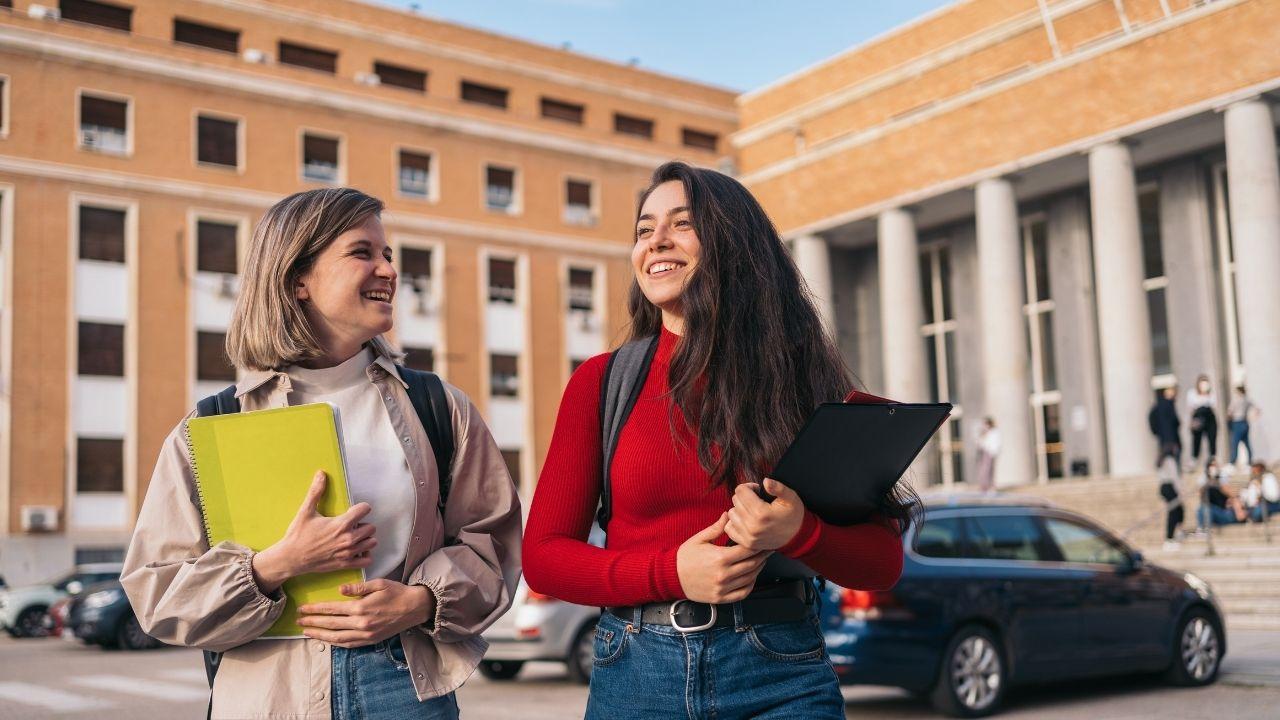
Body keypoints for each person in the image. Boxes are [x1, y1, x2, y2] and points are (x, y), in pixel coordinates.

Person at [522, 162, 911, 720]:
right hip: (635, 674)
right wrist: (671, 573)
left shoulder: (805, 380)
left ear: (732, 242)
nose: (656, 240)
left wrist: (800, 531)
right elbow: (544, 559)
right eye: (643, 228)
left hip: (780, 671)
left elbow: (882, 563)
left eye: (682, 224)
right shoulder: (600, 383)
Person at [121, 189, 522, 720]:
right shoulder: (213, 426)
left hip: (402, 689)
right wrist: (276, 565)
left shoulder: (440, 408)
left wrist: (420, 602)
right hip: (268, 693)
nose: (388, 270)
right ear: (297, 280)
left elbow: (492, 545)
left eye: (389, 255)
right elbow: (157, 589)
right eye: (363, 252)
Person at [1197, 459, 1247, 528]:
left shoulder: (1222, 479)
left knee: (1205, 509)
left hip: (1224, 512)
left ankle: (1204, 529)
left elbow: (1232, 494)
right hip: (1211, 511)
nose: (1213, 467)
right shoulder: (1205, 481)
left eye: (1215, 465)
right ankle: (1204, 529)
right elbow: (1201, 495)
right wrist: (1209, 481)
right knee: (1202, 508)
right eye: (1211, 465)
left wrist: (1218, 482)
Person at [1186, 375, 1219, 469]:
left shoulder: (1211, 394)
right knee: (1197, 440)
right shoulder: (1192, 393)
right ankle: (1194, 460)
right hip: (1198, 416)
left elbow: (1213, 406)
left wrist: (1206, 395)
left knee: (1212, 438)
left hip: (1209, 417)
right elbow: (1191, 408)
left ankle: (1213, 460)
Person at [1157, 453, 1184, 551]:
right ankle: (1170, 538)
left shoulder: (1161, 459)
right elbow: (1174, 476)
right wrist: (1180, 490)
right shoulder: (1169, 460)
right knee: (1174, 512)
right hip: (1170, 486)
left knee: (1177, 510)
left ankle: (1175, 535)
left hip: (1163, 487)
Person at [1149, 385, 1181, 466]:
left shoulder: (1157, 405)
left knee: (1165, 453)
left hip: (1163, 436)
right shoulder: (1168, 404)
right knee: (1172, 453)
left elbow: (1151, 419)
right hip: (1171, 436)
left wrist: (1155, 431)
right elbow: (1175, 420)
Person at [1227, 385, 1255, 467]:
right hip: (1245, 422)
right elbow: (1256, 408)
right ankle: (1250, 461)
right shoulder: (1247, 400)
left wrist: (1228, 422)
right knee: (1247, 443)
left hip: (1237, 422)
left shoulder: (1236, 400)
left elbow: (1229, 412)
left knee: (1235, 443)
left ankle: (1232, 462)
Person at [974, 417, 1001, 494]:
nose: (984, 425)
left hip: (990, 452)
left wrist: (994, 451)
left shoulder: (994, 432)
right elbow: (979, 443)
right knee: (984, 470)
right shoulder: (984, 432)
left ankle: (990, 486)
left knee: (989, 470)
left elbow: (995, 443)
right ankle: (984, 486)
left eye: (985, 424)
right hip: (984, 452)